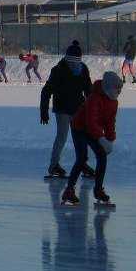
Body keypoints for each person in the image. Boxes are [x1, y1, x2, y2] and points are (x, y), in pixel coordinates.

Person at [62, 71, 123, 208]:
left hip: (93, 130)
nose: (119, 92)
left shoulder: (114, 102)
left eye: (120, 89)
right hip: (79, 127)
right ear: (108, 88)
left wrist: (110, 139)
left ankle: (98, 190)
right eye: (117, 89)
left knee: (102, 156)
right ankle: (69, 190)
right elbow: (91, 122)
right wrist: (102, 139)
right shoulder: (94, 98)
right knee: (82, 158)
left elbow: (110, 122)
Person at [40, 40, 94, 179]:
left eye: (76, 62)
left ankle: (82, 164)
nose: (74, 65)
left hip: (78, 110)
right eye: (71, 62)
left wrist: (92, 107)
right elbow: (46, 91)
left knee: (80, 138)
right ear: (67, 59)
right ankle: (53, 166)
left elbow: (89, 90)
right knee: (62, 137)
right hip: (62, 110)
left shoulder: (83, 69)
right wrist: (44, 111)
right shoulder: (58, 70)